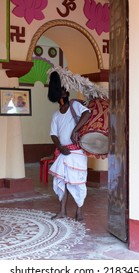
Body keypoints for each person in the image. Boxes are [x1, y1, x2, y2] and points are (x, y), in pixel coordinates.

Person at [48, 71, 91, 221]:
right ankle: (62, 211)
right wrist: (60, 147)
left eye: (62, 89)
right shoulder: (56, 115)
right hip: (63, 153)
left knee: (78, 182)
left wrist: (75, 130)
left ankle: (79, 212)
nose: (62, 92)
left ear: (65, 92)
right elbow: (53, 134)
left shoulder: (75, 105)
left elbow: (87, 114)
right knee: (62, 182)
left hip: (77, 152)